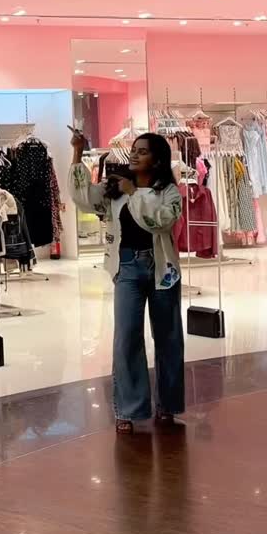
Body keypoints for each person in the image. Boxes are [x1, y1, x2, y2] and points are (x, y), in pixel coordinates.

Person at [70, 130, 185, 434]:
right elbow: (82, 197)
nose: (134, 155)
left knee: (169, 338)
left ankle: (168, 405)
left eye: (142, 151)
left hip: (163, 270)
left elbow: (160, 221)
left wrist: (134, 192)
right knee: (127, 337)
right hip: (127, 268)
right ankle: (129, 407)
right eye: (134, 150)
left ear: (157, 160)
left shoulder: (169, 193)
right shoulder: (115, 189)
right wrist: (78, 152)